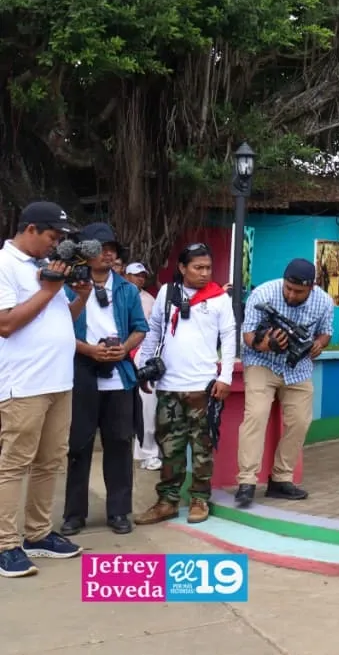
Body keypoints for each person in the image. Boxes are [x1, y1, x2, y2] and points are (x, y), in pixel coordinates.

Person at [0, 202, 88, 578]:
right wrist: (50, 289)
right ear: (31, 228)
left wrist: (79, 296)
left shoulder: (45, 270)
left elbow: (60, 318)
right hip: (24, 384)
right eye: (53, 237)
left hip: (59, 381)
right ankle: (5, 544)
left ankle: (38, 534)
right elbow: (5, 324)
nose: (56, 245)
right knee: (13, 464)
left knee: (50, 461)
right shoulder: (5, 265)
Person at [132, 243, 236, 527]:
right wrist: (145, 370)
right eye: (197, 268)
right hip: (168, 385)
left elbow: (228, 337)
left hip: (203, 387)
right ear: (182, 268)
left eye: (208, 268)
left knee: (202, 448)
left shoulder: (219, 298)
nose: (204, 274)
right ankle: (167, 501)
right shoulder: (167, 293)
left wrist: (225, 376)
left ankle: (200, 499)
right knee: (170, 448)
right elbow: (154, 331)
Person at [60, 223, 148, 537]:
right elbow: (58, 331)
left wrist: (122, 348)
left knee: (120, 445)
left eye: (112, 248)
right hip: (81, 374)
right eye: (101, 247)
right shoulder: (68, 287)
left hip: (118, 378)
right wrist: (88, 350)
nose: (108, 253)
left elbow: (140, 327)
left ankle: (119, 511)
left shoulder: (126, 289)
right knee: (78, 446)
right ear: (85, 252)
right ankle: (73, 515)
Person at [233, 258, 334, 507]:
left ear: (312, 287)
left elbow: (326, 331)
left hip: (298, 367)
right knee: (255, 415)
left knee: (300, 420)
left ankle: (281, 479)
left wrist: (319, 344)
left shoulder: (324, 301)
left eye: (298, 291)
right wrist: (266, 343)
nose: (290, 294)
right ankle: (246, 482)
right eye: (288, 288)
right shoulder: (263, 293)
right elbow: (247, 334)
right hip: (261, 362)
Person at [124, 262, 161, 469]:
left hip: (148, 353)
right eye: (136, 275)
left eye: (142, 276)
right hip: (126, 354)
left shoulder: (150, 299)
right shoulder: (119, 295)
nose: (140, 279)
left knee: (151, 405)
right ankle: (144, 451)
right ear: (126, 276)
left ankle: (151, 452)